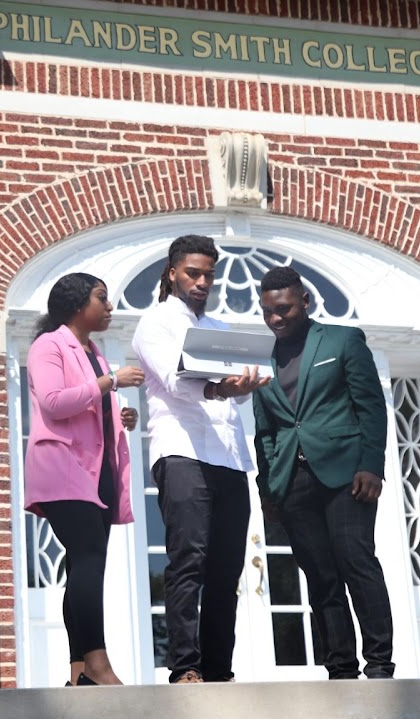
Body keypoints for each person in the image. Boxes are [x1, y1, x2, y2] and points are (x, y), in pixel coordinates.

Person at [131, 235, 270, 684]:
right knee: (188, 560)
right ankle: (185, 666)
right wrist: (220, 387)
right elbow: (176, 382)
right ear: (173, 272)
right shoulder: (154, 323)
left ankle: (218, 669)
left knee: (227, 569)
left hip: (229, 457)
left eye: (209, 274)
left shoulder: (220, 328)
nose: (202, 281)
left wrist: (244, 385)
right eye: (193, 273)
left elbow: (235, 395)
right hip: (182, 452)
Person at [252, 265, 394, 680]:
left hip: (346, 474)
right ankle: (341, 668)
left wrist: (371, 465)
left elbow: (371, 406)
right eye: (268, 311)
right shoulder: (262, 359)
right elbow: (265, 431)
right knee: (319, 575)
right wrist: (268, 489)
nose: (276, 318)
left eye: (284, 309)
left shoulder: (342, 340)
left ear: (305, 301)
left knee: (355, 560)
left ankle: (380, 663)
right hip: (291, 481)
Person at [24, 273, 144, 687]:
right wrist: (110, 383)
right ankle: (97, 663)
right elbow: (54, 403)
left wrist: (119, 414)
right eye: (101, 298)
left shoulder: (95, 353)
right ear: (77, 304)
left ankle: (79, 671)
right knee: (89, 559)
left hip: (98, 471)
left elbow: (89, 404)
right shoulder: (48, 345)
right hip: (63, 466)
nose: (109, 306)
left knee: (82, 564)